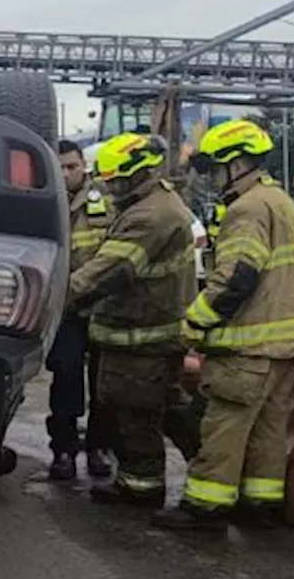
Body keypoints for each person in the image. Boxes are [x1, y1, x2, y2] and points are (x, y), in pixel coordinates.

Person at [154, 119, 294, 530]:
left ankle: (206, 506)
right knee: (268, 431)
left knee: (224, 427)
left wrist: (195, 322)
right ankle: (261, 507)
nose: (211, 179)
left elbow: (236, 278)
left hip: (249, 348)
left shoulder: (248, 209)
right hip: (286, 344)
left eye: (215, 169)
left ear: (237, 163)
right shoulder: (280, 201)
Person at [68, 132, 201, 508]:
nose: (108, 188)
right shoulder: (153, 204)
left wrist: (51, 297)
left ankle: (141, 486)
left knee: (136, 410)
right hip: (147, 331)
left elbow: (108, 271)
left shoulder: (149, 215)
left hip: (143, 335)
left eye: (113, 180)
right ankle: (211, 469)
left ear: (135, 174)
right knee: (166, 405)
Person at [45, 140, 115, 480]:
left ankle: (99, 449)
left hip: (102, 307)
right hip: (65, 309)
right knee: (66, 378)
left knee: (104, 384)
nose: (65, 173)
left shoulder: (106, 203)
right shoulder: (44, 202)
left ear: (83, 167)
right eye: (59, 167)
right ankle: (63, 451)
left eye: (71, 166)